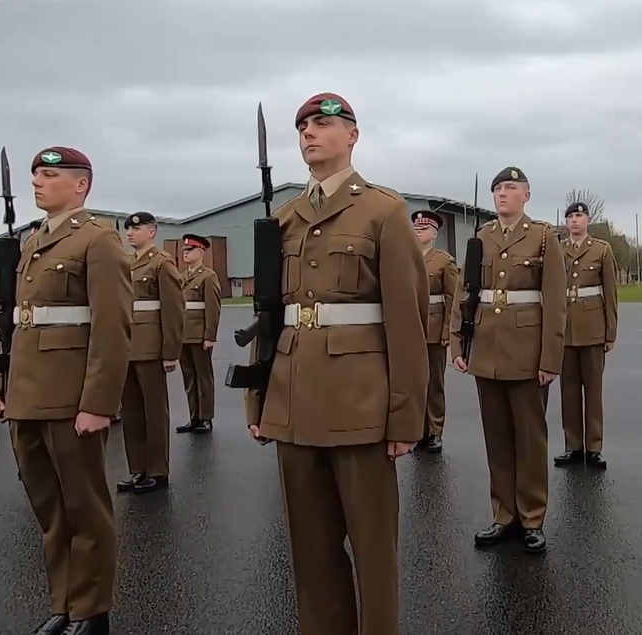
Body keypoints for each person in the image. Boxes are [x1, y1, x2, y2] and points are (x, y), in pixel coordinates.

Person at [248, 92, 428, 635]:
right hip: (295, 402)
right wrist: (259, 398)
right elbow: (269, 316)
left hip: (361, 405)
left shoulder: (383, 210)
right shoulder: (283, 220)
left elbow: (407, 320)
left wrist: (405, 416)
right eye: (303, 125)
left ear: (352, 135)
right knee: (311, 552)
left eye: (323, 123)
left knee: (373, 552)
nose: (309, 132)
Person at [0, 146, 130, 635]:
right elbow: (20, 325)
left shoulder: (98, 241)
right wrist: (2, 386)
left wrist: (98, 403)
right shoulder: (34, 243)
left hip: (71, 398)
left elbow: (112, 328)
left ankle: (92, 611)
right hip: (28, 395)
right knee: (49, 509)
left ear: (80, 185)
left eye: (49, 175)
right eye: (34, 175)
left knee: (84, 508)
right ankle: (64, 603)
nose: (36, 183)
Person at [449, 167, 566, 553]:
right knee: (497, 437)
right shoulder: (480, 238)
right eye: (498, 188)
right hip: (487, 348)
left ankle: (532, 517)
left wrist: (550, 358)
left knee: (530, 438)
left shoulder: (544, 238)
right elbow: (464, 294)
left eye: (510, 188)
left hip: (527, 351)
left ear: (526, 195)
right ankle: (504, 515)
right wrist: (457, 344)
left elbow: (555, 302)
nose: (502, 193)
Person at [117, 212, 183, 495]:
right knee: (131, 412)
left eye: (136, 228)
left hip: (151, 348)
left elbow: (173, 310)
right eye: (128, 229)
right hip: (127, 347)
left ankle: (157, 470)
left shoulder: (161, 264)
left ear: (152, 231)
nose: (130, 233)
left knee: (154, 412)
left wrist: (171, 351)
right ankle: (137, 469)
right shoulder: (126, 263)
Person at [553, 201, 618, 469]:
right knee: (568, 391)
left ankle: (594, 447)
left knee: (593, 391)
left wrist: (610, 332)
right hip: (566, 330)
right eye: (570, 217)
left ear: (588, 220)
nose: (574, 221)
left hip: (592, 328)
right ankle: (573, 446)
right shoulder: (557, 250)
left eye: (579, 216)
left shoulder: (601, 250)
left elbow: (610, 294)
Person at [412, 209, 458, 453]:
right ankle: (419, 430)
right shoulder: (406, 257)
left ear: (434, 233)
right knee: (415, 382)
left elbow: (453, 299)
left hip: (433, 327)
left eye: (424, 229)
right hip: (412, 329)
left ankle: (435, 431)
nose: (419, 233)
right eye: (417, 229)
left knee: (434, 383)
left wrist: (448, 332)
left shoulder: (444, 261)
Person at [175, 234, 220, 434]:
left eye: (189, 250)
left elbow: (213, 308)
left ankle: (206, 418)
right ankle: (194, 417)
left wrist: (210, 336)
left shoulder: (208, 276)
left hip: (200, 335)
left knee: (203, 378)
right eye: (184, 250)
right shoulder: (181, 277)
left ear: (201, 252)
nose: (185, 254)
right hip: (183, 336)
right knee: (189, 379)